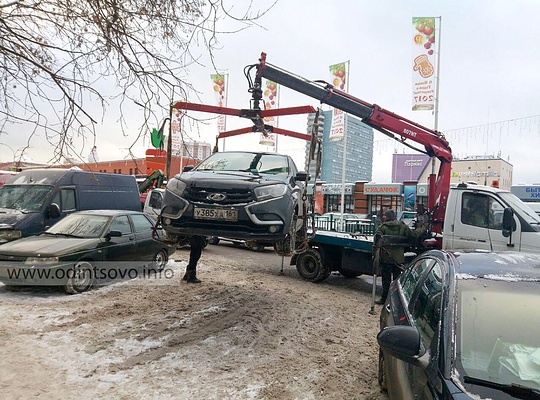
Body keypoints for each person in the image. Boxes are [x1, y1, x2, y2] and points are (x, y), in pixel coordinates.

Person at [374, 209, 425, 305]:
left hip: (386, 258)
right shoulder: (402, 227)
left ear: (388, 217)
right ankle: (396, 300)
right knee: (397, 281)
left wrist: (374, 255)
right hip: (398, 259)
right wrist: (423, 228)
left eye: (384, 215)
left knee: (386, 280)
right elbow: (414, 234)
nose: (383, 217)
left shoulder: (382, 227)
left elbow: (377, 241)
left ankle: (384, 299)